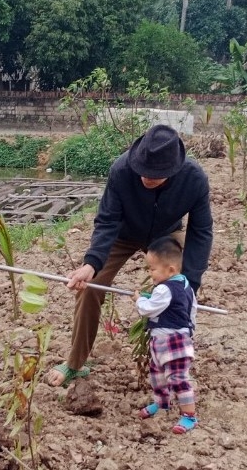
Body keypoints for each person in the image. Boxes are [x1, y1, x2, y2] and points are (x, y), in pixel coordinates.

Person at [46, 124, 213, 388]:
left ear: (172, 170)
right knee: (89, 287)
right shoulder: (122, 170)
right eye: (143, 170)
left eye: (155, 175)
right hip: (122, 234)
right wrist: (92, 263)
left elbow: (201, 232)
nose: (146, 177)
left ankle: (171, 361)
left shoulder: (194, 179)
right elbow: (107, 220)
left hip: (165, 235)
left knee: (178, 291)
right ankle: (75, 364)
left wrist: (190, 284)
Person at [134, 236, 198, 434]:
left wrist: (138, 300)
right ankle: (161, 404)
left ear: (170, 270)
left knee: (178, 378)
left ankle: (189, 415)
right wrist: (191, 328)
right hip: (163, 340)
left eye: (152, 269)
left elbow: (148, 310)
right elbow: (192, 308)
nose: (150, 273)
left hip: (173, 342)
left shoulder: (164, 288)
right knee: (158, 375)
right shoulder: (185, 284)